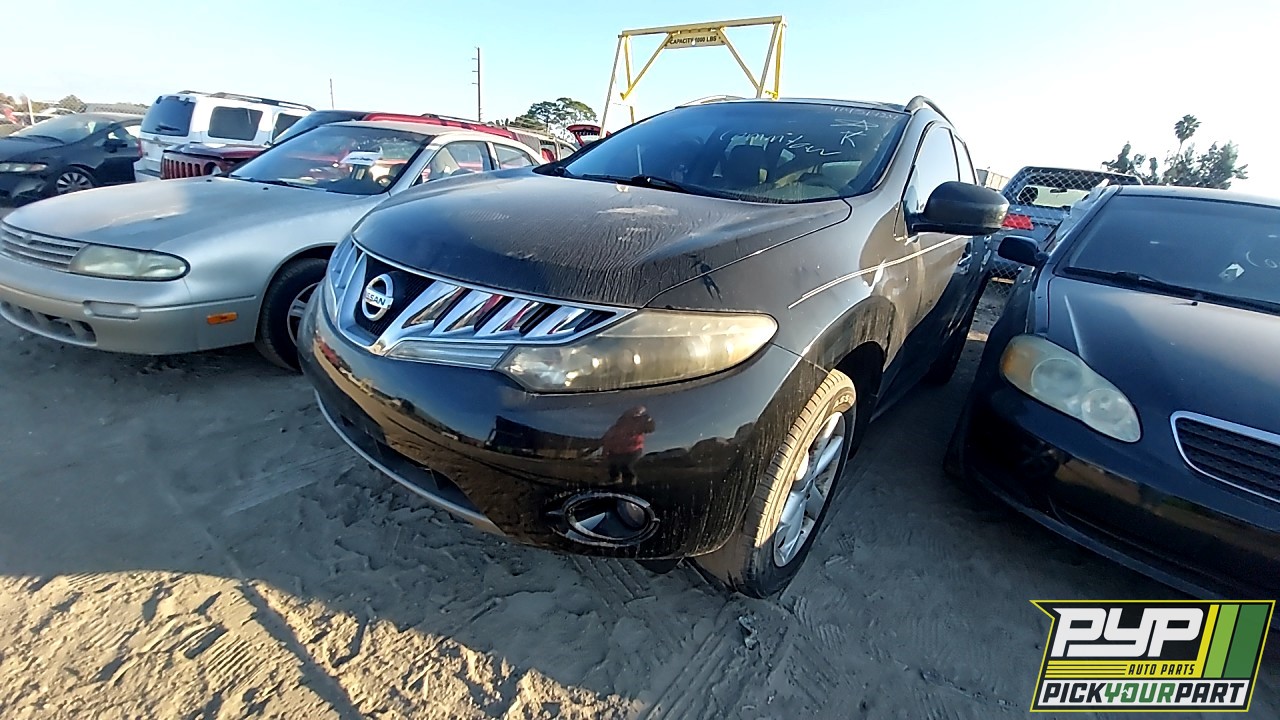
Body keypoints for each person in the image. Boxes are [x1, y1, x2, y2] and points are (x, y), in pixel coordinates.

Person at [601, 406, 655, 484]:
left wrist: (643, 414)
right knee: (613, 464)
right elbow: (607, 440)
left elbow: (649, 428)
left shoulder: (638, 423)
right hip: (617, 450)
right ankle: (614, 479)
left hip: (634, 450)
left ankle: (630, 482)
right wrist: (605, 452)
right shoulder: (617, 428)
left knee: (626, 466)